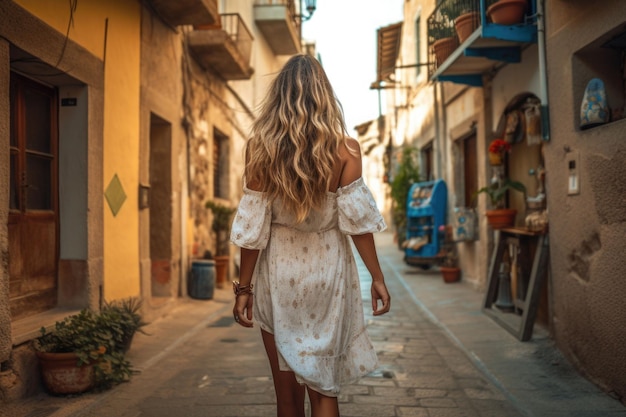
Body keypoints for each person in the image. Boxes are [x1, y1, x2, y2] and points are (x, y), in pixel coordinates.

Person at [229, 54, 391, 417]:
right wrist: (377, 278)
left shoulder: (260, 148)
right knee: (324, 390)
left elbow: (253, 230)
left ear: (278, 97)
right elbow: (358, 223)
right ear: (324, 94)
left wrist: (244, 289)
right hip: (329, 273)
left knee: (286, 399)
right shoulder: (347, 149)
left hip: (280, 273)